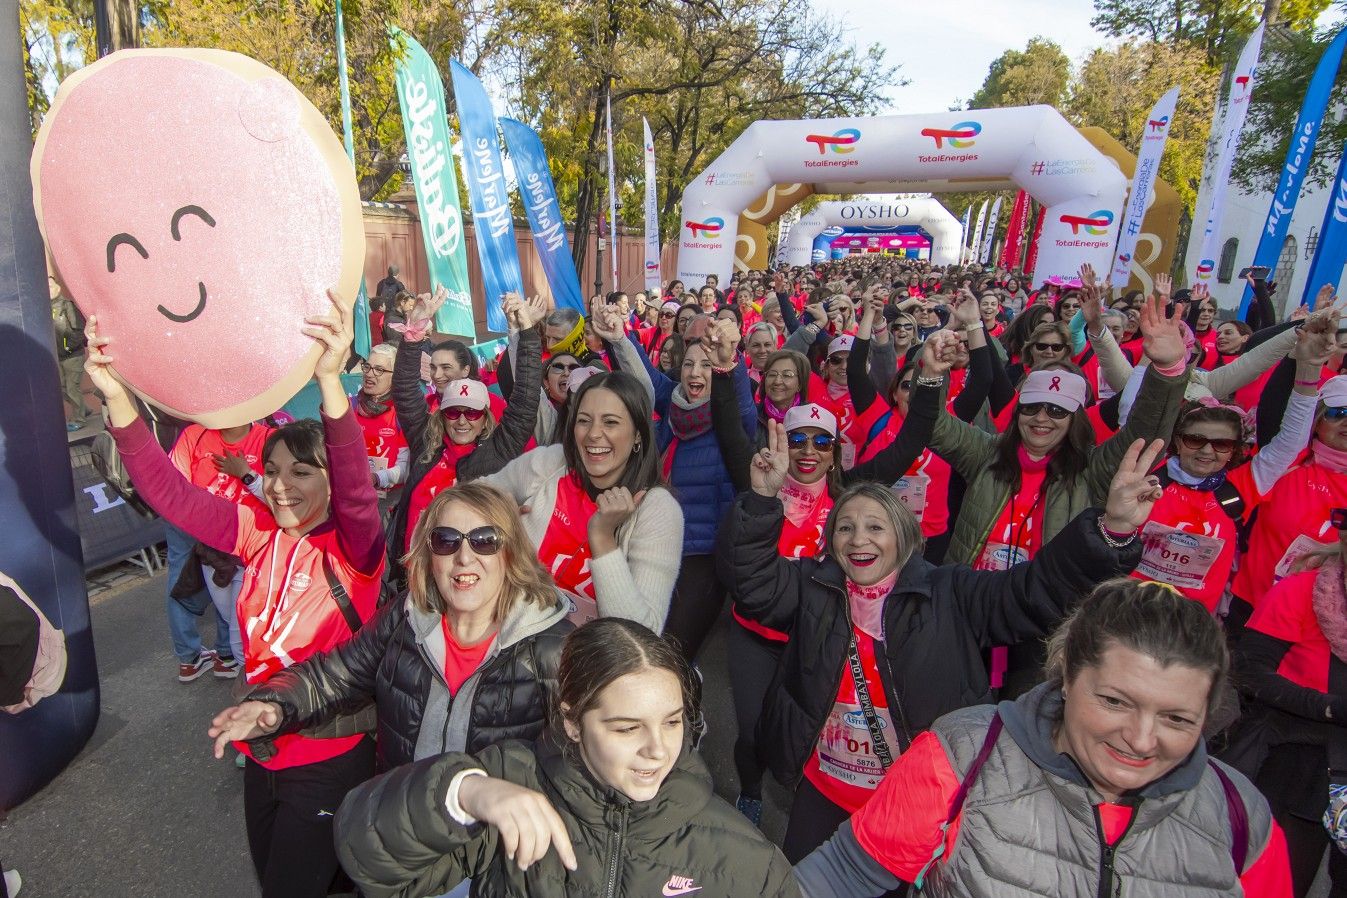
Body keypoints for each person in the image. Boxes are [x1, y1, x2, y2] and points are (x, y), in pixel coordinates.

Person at [719, 422, 1167, 862]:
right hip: (824, 790)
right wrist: (761, 499)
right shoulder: (814, 586)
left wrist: (1111, 531)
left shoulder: (950, 593)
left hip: (915, 796)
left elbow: (1035, 590)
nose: (859, 539)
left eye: (876, 527)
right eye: (845, 528)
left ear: (905, 537)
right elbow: (754, 584)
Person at [89, 292, 384, 898]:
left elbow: (356, 488)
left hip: (331, 757)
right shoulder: (255, 532)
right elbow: (171, 494)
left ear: (330, 477)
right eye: (272, 470)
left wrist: (330, 384)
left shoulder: (356, 549)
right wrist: (119, 399)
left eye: (302, 471)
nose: (280, 486)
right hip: (264, 750)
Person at [795, 579, 1292, 898]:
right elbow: (844, 873)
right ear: (1067, 675)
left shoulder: (1240, 817)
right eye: (1115, 702)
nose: (1141, 741)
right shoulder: (962, 756)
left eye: (1177, 720)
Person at [332, 618, 800, 898]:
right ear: (572, 722)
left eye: (673, 722)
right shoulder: (511, 782)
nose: (659, 750)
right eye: (627, 727)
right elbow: (368, 857)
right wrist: (463, 792)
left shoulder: (746, 858)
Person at [208, 481, 572, 772]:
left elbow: (577, 770)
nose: (464, 557)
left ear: (511, 554)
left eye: (485, 541)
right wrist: (276, 705)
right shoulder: (406, 617)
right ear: (428, 557)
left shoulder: (554, 648)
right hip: (403, 828)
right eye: (446, 541)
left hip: (496, 850)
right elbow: (335, 676)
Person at [481, 331, 680, 632]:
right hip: (508, 643)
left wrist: (602, 538)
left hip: (584, 667)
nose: (593, 434)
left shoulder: (657, 510)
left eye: (611, 422)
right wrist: (492, 510)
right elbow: (471, 496)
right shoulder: (550, 462)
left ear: (638, 434)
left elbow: (639, 634)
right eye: (584, 420)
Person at [1228, 522, 1347, 897]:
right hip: (1297, 760)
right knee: (1281, 884)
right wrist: (1328, 709)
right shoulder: (1302, 591)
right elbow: (1247, 671)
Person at [386, 290, 542, 570]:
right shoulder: (427, 446)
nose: (461, 420)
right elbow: (405, 391)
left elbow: (526, 400)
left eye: (471, 412)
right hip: (411, 579)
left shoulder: (498, 452)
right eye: (453, 412)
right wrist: (413, 335)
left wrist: (527, 333)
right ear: (442, 414)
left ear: (485, 417)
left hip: (469, 578)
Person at [349, 343, 408, 517]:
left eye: (379, 370)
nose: (369, 374)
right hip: (355, 496)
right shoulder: (349, 407)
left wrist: (376, 478)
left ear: (395, 376)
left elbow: (405, 470)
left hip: (390, 499)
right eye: (367, 366)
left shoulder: (402, 412)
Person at [51, 283, 89, 432]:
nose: (48, 290)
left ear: (58, 288)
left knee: (72, 388)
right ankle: (84, 409)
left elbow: (79, 330)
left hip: (73, 355)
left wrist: (68, 347)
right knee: (61, 387)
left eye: (51, 286)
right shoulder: (47, 308)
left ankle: (79, 420)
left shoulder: (67, 306)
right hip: (58, 356)